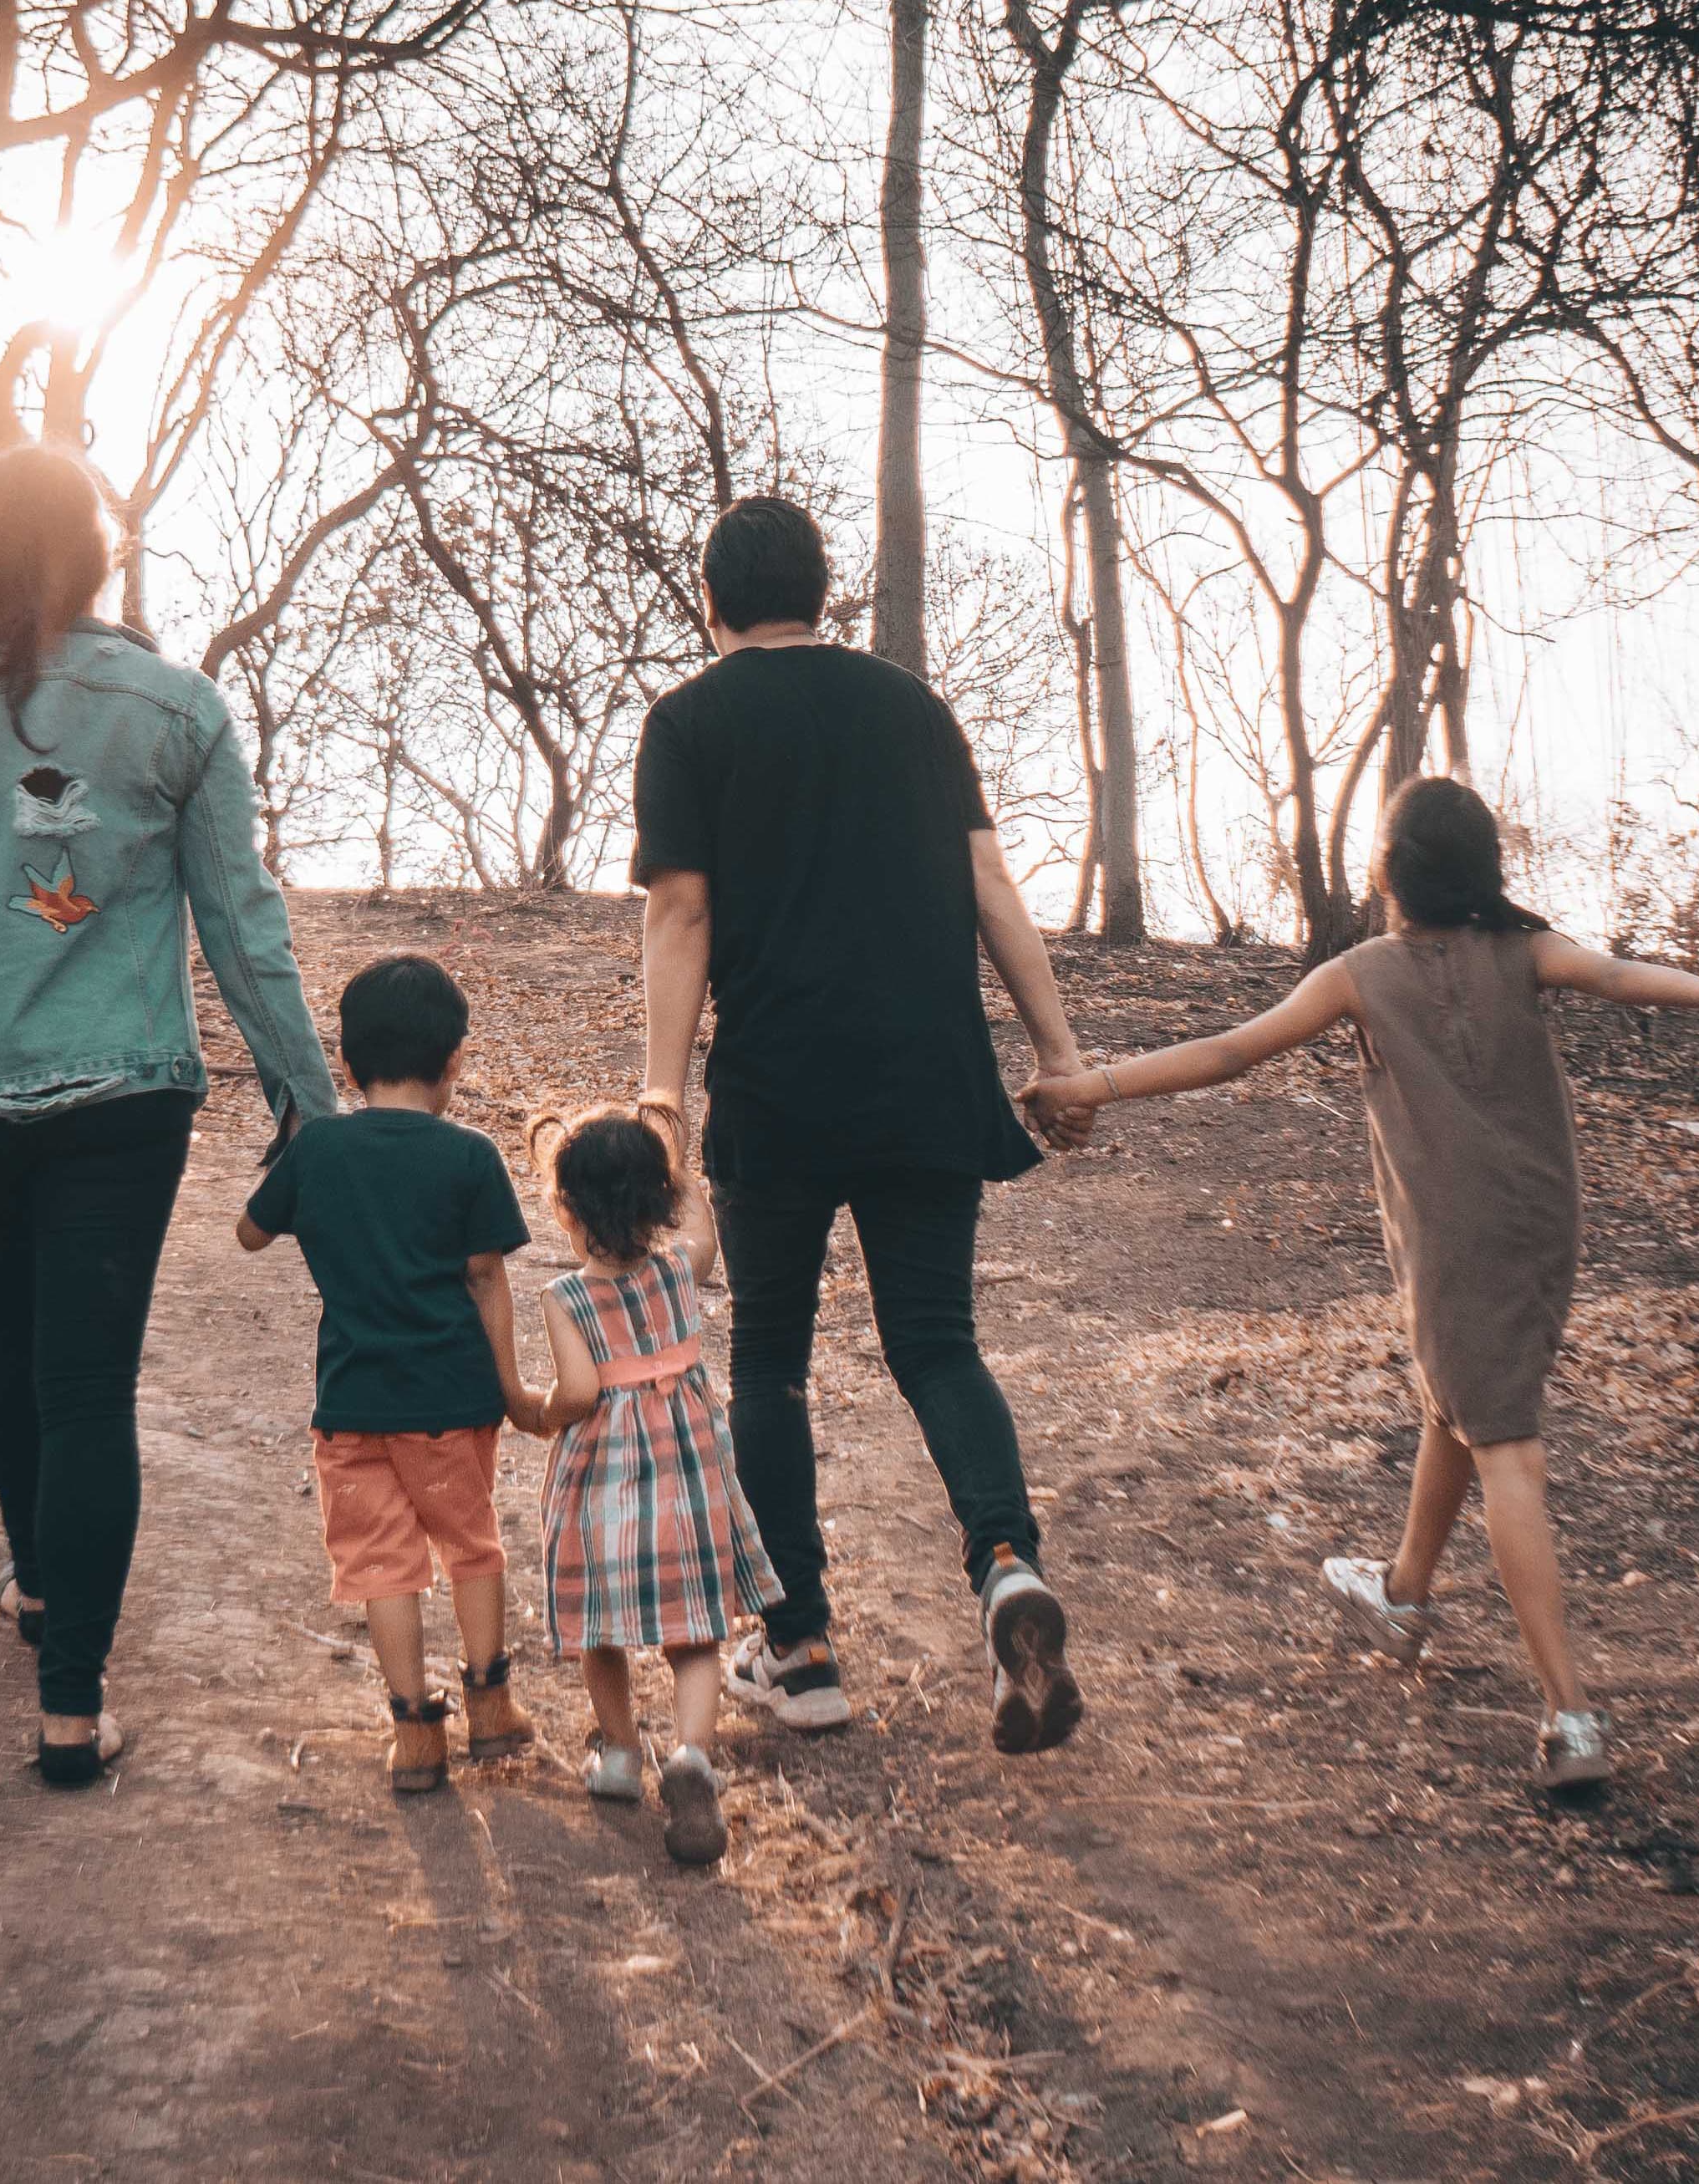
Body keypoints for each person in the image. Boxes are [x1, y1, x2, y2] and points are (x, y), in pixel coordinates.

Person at [1032, 775, 1699, 1793]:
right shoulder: (1523, 950)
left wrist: (1097, 1083)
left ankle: (1571, 1716)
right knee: (1465, 1401)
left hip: (1455, 1236)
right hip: (1540, 1222)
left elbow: (1232, 1051)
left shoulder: (1360, 974)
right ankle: (1401, 1594)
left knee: (1507, 1448)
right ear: (1486, 872)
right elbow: (1613, 974)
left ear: (1388, 873)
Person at [0, 445, 339, 1789]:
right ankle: (68, 1702)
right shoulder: (176, 709)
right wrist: (304, 1096)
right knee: (87, 1376)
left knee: (8, 1326)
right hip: (122, 1095)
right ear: (99, 555)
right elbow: (245, 924)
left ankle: (44, 1583)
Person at [631, 494, 1092, 1759]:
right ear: (822, 595)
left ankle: (804, 1653)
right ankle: (1004, 1565)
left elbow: (680, 914)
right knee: (938, 1345)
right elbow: (990, 885)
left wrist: (664, 1095)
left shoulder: (686, 722)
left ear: (710, 601)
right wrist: (1056, 1053)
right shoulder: (915, 710)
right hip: (930, 1079)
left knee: (770, 1361)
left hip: (781, 1088)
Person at [237, 955, 537, 1795]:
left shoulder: (321, 1150)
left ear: (347, 1065)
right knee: (471, 1544)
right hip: (450, 1399)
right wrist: (512, 1387)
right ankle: (491, 1710)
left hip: (352, 1404)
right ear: (453, 1064)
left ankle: (413, 1737)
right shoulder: (470, 1156)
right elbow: (486, 1276)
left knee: (382, 1565)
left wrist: (303, 1168)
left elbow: (248, 1235)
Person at [514, 1103, 780, 1866]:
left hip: (603, 1479)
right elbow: (702, 1227)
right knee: (694, 1631)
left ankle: (623, 1755)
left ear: (564, 1209)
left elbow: (575, 1393)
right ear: (661, 1200)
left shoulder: (564, 1298)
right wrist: (680, 1161)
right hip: (686, 1471)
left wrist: (534, 1412)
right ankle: (692, 1754)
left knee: (600, 1623)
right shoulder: (680, 1267)